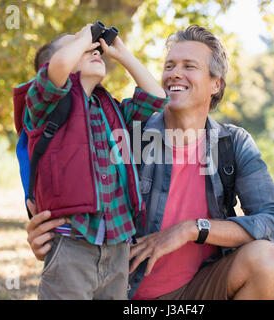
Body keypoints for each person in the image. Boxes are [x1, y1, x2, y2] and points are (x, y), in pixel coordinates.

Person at [26, 25, 274, 300]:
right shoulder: (125, 129)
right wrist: (55, 235)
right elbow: (64, 164)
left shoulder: (232, 144)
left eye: (189, 66)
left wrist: (191, 229)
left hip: (198, 290)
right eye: (169, 65)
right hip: (124, 292)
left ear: (216, 84)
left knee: (268, 259)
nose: (175, 73)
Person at [15, 23, 168, 299]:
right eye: (80, 46)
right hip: (72, 244)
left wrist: (122, 54)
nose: (92, 47)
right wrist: (84, 35)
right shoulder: (44, 105)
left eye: (94, 46)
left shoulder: (112, 110)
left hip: (118, 245)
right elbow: (59, 66)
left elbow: (156, 97)